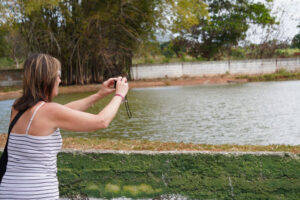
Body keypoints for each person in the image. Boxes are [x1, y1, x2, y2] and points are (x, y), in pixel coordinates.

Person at [0, 53, 129, 199]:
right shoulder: (49, 112)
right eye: (58, 74)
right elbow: (101, 121)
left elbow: (64, 111)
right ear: (47, 79)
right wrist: (119, 95)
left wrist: (100, 94)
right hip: (37, 194)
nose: (60, 80)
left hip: (8, 191)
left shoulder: (17, 106)